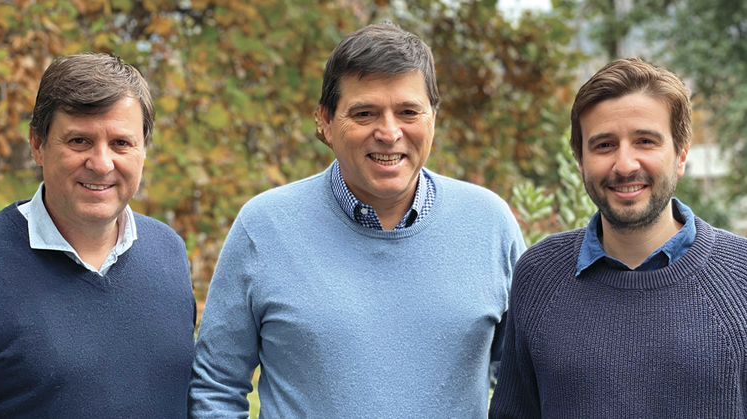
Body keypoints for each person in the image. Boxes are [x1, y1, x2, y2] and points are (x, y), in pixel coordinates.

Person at [189, 23, 525, 418]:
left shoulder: (490, 224)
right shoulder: (264, 227)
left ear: (433, 116)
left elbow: (525, 383)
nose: (388, 132)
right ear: (326, 122)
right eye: (364, 113)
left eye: (408, 112)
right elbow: (216, 386)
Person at [489, 57, 747, 417]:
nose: (625, 165)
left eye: (645, 141)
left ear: (681, 156)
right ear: (580, 161)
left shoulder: (741, 276)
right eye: (604, 145)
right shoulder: (539, 275)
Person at [0, 53, 195, 418]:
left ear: (143, 150)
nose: (102, 163)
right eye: (79, 141)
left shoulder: (167, 251)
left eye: (121, 143)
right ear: (37, 144)